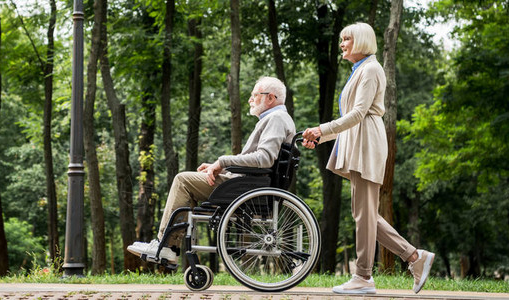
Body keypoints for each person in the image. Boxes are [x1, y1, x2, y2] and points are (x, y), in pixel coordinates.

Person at [301, 22, 434, 295]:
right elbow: (353, 116)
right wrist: (319, 137)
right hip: (358, 142)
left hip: (366, 144)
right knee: (365, 214)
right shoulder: (361, 69)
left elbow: (358, 113)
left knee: (364, 214)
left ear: (361, 40)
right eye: (341, 40)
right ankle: (414, 257)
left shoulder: (371, 69)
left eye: (346, 39)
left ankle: (364, 276)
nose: (342, 44)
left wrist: (322, 130)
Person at [127, 76, 296, 264]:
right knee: (192, 181)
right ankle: (169, 246)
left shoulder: (276, 119)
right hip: (248, 183)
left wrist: (221, 162)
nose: (250, 99)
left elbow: (263, 159)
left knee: (183, 180)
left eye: (254, 95)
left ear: (270, 98)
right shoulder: (277, 119)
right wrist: (220, 169)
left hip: (247, 187)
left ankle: (165, 246)